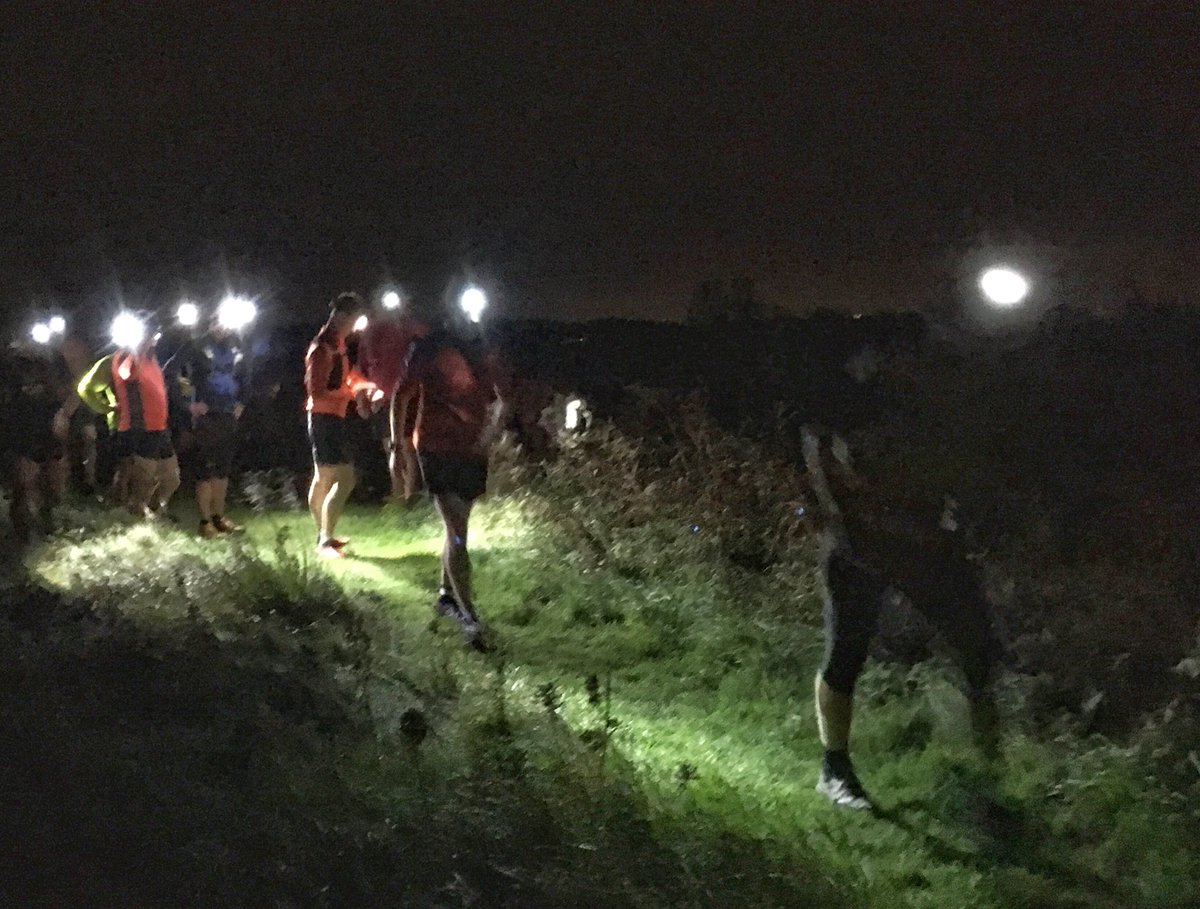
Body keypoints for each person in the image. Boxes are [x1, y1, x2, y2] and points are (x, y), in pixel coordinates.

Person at [802, 429, 999, 811]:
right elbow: (817, 441)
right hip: (861, 542)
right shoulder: (843, 388)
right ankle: (834, 771)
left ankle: (988, 778)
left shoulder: (927, 386)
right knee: (846, 651)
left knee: (977, 643)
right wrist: (840, 519)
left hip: (922, 541)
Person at [390, 313, 509, 649]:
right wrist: (397, 445)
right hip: (435, 447)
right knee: (457, 533)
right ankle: (470, 618)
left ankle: (445, 595)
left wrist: (489, 435)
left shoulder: (484, 347)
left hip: (471, 452)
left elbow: (502, 399)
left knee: (458, 528)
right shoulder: (427, 348)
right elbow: (402, 394)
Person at [78, 327, 180, 519]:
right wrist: (106, 407)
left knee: (170, 478)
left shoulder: (152, 358)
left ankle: (148, 508)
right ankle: (128, 512)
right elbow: (117, 377)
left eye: (156, 337)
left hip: (158, 427)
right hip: (134, 426)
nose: (155, 341)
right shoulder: (123, 357)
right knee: (135, 473)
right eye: (151, 337)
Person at [305, 292, 372, 558]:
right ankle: (324, 540)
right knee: (344, 478)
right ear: (342, 317)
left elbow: (345, 376)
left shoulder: (338, 343)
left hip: (330, 418)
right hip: (324, 419)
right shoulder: (323, 347)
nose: (356, 325)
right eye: (355, 319)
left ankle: (325, 535)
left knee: (323, 478)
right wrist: (351, 393)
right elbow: (315, 391)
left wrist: (364, 385)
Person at [174, 319, 247, 538]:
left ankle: (219, 518)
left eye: (227, 323)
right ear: (211, 322)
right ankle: (205, 522)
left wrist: (241, 402)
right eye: (218, 323)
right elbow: (172, 373)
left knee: (222, 468)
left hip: (227, 415)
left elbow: (245, 375)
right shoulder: (196, 345)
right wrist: (189, 405)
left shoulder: (236, 345)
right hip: (205, 417)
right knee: (205, 469)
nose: (223, 327)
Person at [1, 343, 77, 543]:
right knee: (23, 487)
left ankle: (47, 519)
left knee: (53, 485)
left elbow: (73, 388)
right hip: (19, 433)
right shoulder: (8, 364)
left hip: (49, 431)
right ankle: (22, 536)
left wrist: (64, 413)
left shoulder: (52, 359)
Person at [356, 302, 428, 502]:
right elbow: (362, 369)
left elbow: (425, 346)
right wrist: (362, 398)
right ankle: (400, 495)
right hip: (383, 397)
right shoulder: (369, 333)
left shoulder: (407, 327)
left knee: (406, 445)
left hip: (408, 394)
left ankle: (409, 495)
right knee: (393, 445)